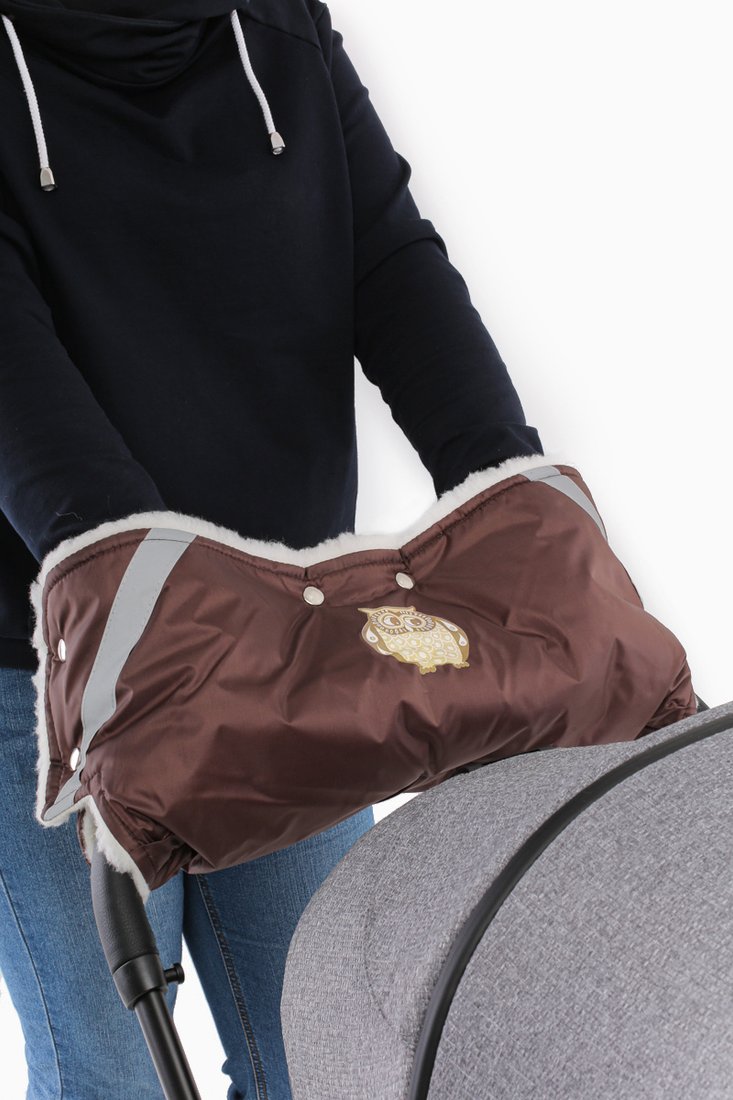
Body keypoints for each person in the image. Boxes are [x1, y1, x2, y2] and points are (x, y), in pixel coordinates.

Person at [0, 0, 544, 1096]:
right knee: (116, 1072)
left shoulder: (281, 28)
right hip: (59, 672)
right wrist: (145, 585)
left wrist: (516, 498)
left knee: (325, 1055)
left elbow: (387, 259)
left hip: (285, 646)